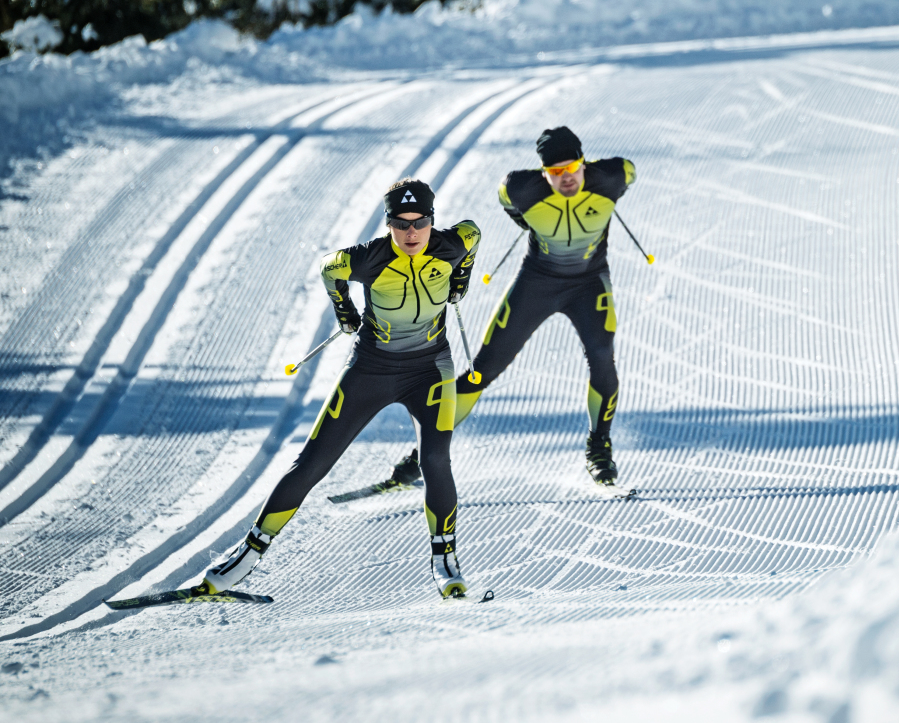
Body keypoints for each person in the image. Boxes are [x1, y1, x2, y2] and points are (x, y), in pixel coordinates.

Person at [198, 178, 481, 598]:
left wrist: (462, 278)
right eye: (400, 224)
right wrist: (344, 310)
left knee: (436, 460)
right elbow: (329, 267)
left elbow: (473, 233)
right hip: (372, 368)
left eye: (420, 222)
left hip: (430, 369)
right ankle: (248, 553)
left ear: (431, 220)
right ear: (387, 224)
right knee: (312, 462)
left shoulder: (451, 245)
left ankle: (445, 560)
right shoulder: (370, 258)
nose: (411, 233)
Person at [383, 126, 636, 490]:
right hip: (538, 283)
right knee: (480, 370)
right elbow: (508, 203)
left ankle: (599, 447)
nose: (565, 178)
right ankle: (424, 452)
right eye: (555, 173)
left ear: (585, 163)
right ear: (543, 173)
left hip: (589, 283)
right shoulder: (520, 188)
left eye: (572, 168)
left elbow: (630, 174)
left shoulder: (612, 176)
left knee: (601, 357)